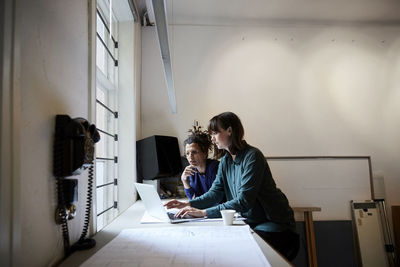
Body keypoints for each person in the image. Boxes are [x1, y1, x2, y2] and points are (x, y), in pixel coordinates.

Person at [165, 112, 300, 261]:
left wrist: (203, 213)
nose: (212, 138)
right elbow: (215, 193)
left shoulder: (253, 157)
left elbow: (243, 201)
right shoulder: (225, 161)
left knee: (239, 252)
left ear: (230, 131)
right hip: (251, 222)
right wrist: (187, 203)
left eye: (215, 133)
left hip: (274, 224)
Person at [181, 126, 219, 200]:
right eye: (187, 153)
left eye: (194, 152)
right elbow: (193, 199)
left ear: (204, 153)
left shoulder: (215, 168)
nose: (190, 157)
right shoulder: (192, 171)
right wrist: (184, 181)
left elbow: (214, 199)